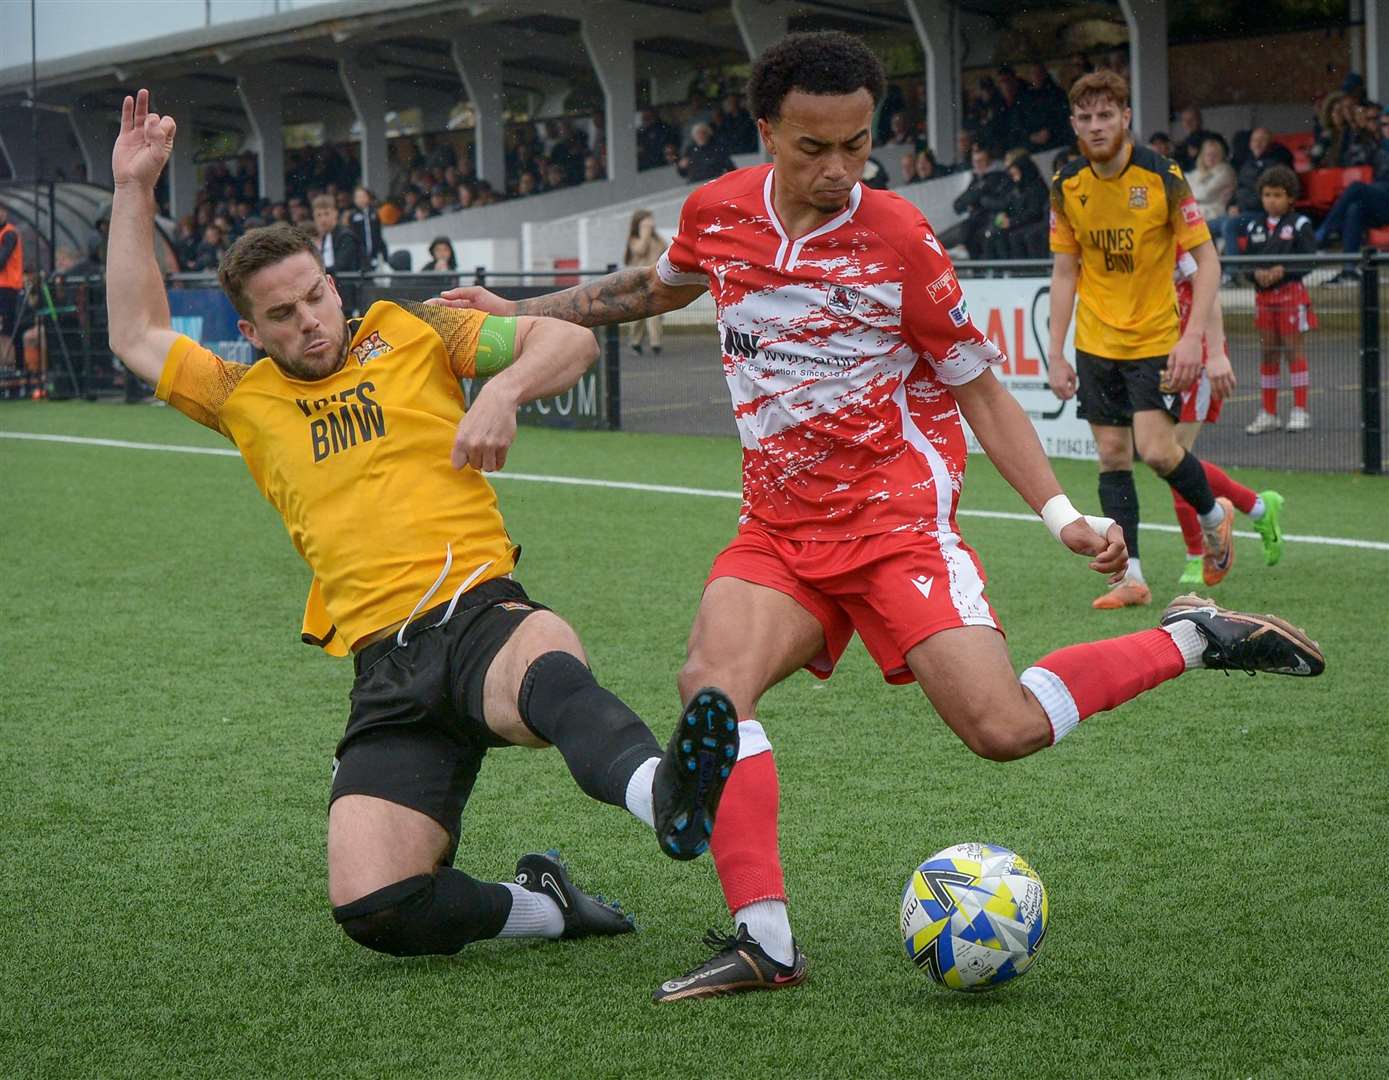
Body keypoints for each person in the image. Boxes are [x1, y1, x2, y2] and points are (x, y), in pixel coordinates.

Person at [428, 32, 1326, 1001]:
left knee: (1003, 728)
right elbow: (656, 286)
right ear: (766, 132)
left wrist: (1060, 512)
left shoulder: (900, 236)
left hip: (899, 526)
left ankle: (1192, 637)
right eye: (814, 148)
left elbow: (979, 390)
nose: (839, 171)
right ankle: (765, 941)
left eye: (858, 146)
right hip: (777, 530)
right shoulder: (716, 213)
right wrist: (520, 303)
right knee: (713, 687)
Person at [103, 90, 742, 965]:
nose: (310, 321)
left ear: (333, 282)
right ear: (249, 330)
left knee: (549, 677)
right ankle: (544, 907)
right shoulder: (240, 397)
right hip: (384, 669)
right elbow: (136, 330)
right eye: (283, 316)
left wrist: (505, 393)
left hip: (479, 616)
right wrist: (134, 188)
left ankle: (664, 789)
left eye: (316, 296)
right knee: (378, 909)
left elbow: (568, 346)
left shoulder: (411, 332)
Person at [1047, 71, 1238, 609]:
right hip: (1095, 342)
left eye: (1106, 115)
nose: (1096, 125)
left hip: (1156, 338)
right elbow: (1065, 273)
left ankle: (1212, 515)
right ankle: (1130, 575)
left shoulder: (1163, 176)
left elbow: (1206, 261)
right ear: (1074, 124)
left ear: (1126, 118)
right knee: (1111, 456)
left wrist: (1194, 338)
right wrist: (1056, 351)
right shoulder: (1066, 184)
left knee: (1156, 451)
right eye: (1085, 117)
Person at [1167, 245, 1284, 583]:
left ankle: (1196, 554)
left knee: (1175, 458)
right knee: (1164, 455)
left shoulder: (1176, 240)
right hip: (1156, 358)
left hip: (1193, 358)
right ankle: (1259, 506)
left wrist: (1215, 352)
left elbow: (1207, 283)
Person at [1242, 167, 1319, 434]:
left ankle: (1300, 410)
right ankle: (1269, 412)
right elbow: (1245, 264)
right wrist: (1256, 274)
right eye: (1266, 195)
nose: (1271, 200)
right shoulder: (1255, 226)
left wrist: (1283, 270)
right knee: (1268, 352)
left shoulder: (1299, 224)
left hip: (1291, 296)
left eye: (1277, 195)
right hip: (1263, 298)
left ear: (1290, 198)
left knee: (1292, 350)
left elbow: (1310, 260)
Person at [1316, 113, 1389, 284]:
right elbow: (1352, 158)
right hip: (1383, 201)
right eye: (1384, 124)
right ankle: (1349, 270)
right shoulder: (1379, 147)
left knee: (1357, 187)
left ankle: (1323, 234)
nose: (1386, 128)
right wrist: (1362, 133)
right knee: (1354, 209)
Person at [1221, 128, 1293, 257]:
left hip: (1260, 213)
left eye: (1262, 140)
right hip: (1242, 211)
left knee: (1230, 226)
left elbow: (1267, 196)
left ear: (1270, 143)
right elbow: (1239, 189)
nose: (1258, 144)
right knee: (1206, 227)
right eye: (1255, 140)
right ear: (1250, 144)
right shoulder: (1247, 163)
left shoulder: (1276, 165)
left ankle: (1233, 273)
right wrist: (1231, 206)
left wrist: (1240, 207)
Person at [938, 144, 1010, 258]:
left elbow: (997, 201)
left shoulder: (998, 177)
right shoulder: (976, 179)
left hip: (991, 220)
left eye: (981, 161)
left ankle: (962, 248)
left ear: (989, 161)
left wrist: (976, 199)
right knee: (943, 238)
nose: (978, 165)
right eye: (975, 161)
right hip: (976, 220)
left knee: (970, 231)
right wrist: (975, 198)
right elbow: (959, 204)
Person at [981, 155, 1049, 259]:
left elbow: (1034, 213)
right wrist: (1005, 215)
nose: (1015, 178)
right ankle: (1001, 269)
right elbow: (1009, 204)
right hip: (1019, 222)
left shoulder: (1036, 188)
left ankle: (1022, 270)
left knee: (1016, 236)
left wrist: (1012, 222)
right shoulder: (1017, 187)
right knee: (994, 234)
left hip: (1033, 223)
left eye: (1016, 174)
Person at [622, 210, 664, 355]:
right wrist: (644, 234)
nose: (650, 224)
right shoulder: (634, 239)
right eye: (646, 221)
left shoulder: (658, 240)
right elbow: (640, 250)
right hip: (639, 282)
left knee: (655, 313)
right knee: (639, 314)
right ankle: (635, 342)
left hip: (655, 280)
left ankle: (656, 343)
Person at [312, 193, 362, 277]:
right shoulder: (326, 237)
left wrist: (317, 271)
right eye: (319, 215)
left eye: (326, 213)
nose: (323, 219)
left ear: (335, 213)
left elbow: (341, 266)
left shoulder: (346, 237)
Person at [1189, 136, 1236, 228]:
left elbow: (1204, 194)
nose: (1211, 158)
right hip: (1197, 214)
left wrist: (1190, 195)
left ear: (1221, 156)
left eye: (1215, 155)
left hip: (1215, 214)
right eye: (1208, 155)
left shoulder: (1225, 171)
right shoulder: (1196, 173)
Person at [0, 201, 23, 371]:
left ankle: (9, 368)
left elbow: (2, 260)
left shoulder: (9, 233)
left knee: (6, 329)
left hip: (8, 288)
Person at [348, 186, 389, 270]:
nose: (360, 199)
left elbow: (378, 234)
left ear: (368, 198)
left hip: (374, 254)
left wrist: (384, 254)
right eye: (358, 197)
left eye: (363, 196)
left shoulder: (374, 213)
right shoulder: (353, 215)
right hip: (359, 257)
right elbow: (353, 236)